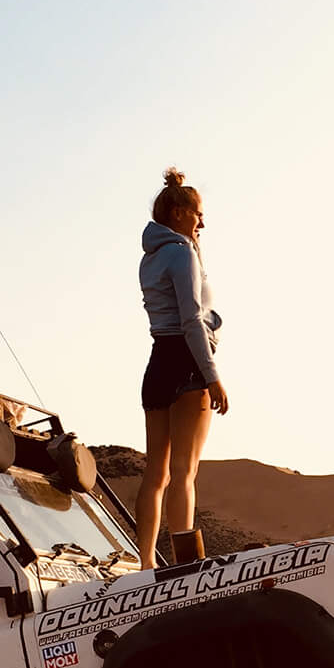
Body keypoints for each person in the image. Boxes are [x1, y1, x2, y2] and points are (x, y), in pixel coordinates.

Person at [137, 167, 229, 567]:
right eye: (198, 214)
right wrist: (213, 377)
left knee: (155, 472)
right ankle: (184, 565)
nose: (202, 222)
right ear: (178, 213)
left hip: (158, 361)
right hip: (188, 362)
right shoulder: (181, 252)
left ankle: (145, 562)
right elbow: (192, 319)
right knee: (184, 472)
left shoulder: (151, 257)